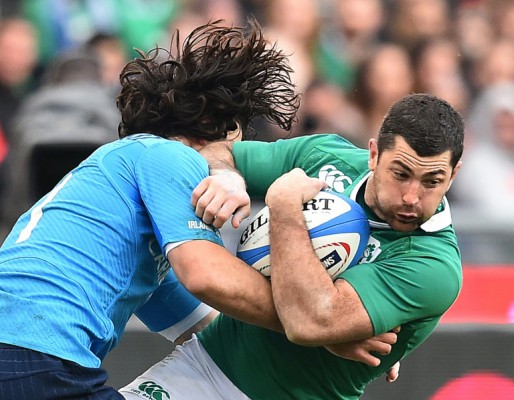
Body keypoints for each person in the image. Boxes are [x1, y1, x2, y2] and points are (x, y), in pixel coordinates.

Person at [0, 18, 318, 399]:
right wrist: (313, 315)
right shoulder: (166, 155)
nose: (238, 157)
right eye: (237, 143)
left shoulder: (142, 224)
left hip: (23, 352)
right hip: (35, 354)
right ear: (219, 128)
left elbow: (214, 332)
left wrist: (335, 338)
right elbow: (205, 275)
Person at [119, 93, 464, 399]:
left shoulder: (433, 265)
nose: (411, 197)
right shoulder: (327, 155)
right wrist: (229, 178)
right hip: (202, 367)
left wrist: (284, 206)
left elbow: (308, 322)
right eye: (400, 174)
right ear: (373, 155)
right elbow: (212, 153)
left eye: (432, 182)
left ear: (454, 174)